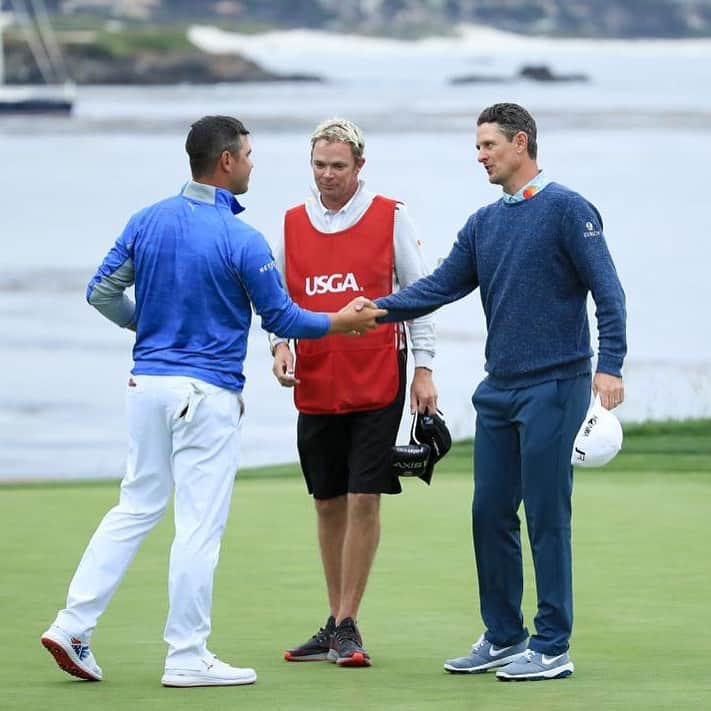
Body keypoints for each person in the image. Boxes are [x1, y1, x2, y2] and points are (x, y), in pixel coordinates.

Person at [40, 115, 385, 688]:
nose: (252, 163)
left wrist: (149, 328)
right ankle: (186, 656)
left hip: (147, 387)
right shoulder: (240, 239)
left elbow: (100, 292)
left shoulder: (146, 220)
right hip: (206, 395)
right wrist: (342, 322)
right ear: (226, 162)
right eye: (247, 155)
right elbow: (282, 318)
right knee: (197, 526)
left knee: (135, 507)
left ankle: (72, 623)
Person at [374, 103, 627, 681]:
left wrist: (609, 366)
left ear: (520, 143)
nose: (480, 156)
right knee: (489, 512)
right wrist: (377, 309)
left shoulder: (568, 209)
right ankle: (506, 635)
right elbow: (439, 285)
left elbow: (609, 296)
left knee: (545, 515)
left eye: (488, 145)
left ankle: (553, 645)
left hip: (556, 385)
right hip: (500, 391)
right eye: (478, 147)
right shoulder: (484, 223)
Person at [270, 118, 437, 667]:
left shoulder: (390, 214)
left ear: (359, 166)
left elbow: (418, 294)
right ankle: (333, 620)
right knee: (327, 500)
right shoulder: (293, 223)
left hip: (378, 375)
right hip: (317, 378)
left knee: (365, 494)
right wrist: (279, 345)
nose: (328, 176)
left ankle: (347, 623)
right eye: (319, 165)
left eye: (338, 166)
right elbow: (277, 298)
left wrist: (424, 368)